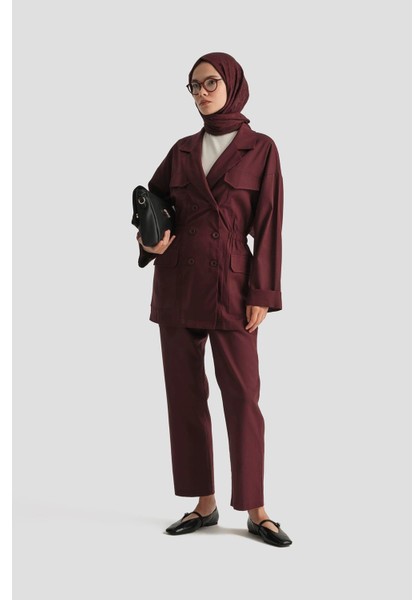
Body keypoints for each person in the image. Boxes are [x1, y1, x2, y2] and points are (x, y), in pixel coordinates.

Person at [134, 52, 292, 548]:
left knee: (243, 398)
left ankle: (257, 509)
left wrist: (262, 291)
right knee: (184, 396)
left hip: (233, 286)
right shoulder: (182, 150)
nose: (201, 93)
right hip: (177, 283)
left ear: (233, 85)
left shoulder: (260, 149)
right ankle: (204, 504)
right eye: (193, 86)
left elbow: (269, 225)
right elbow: (153, 202)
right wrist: (149, 239)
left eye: (210, 83)